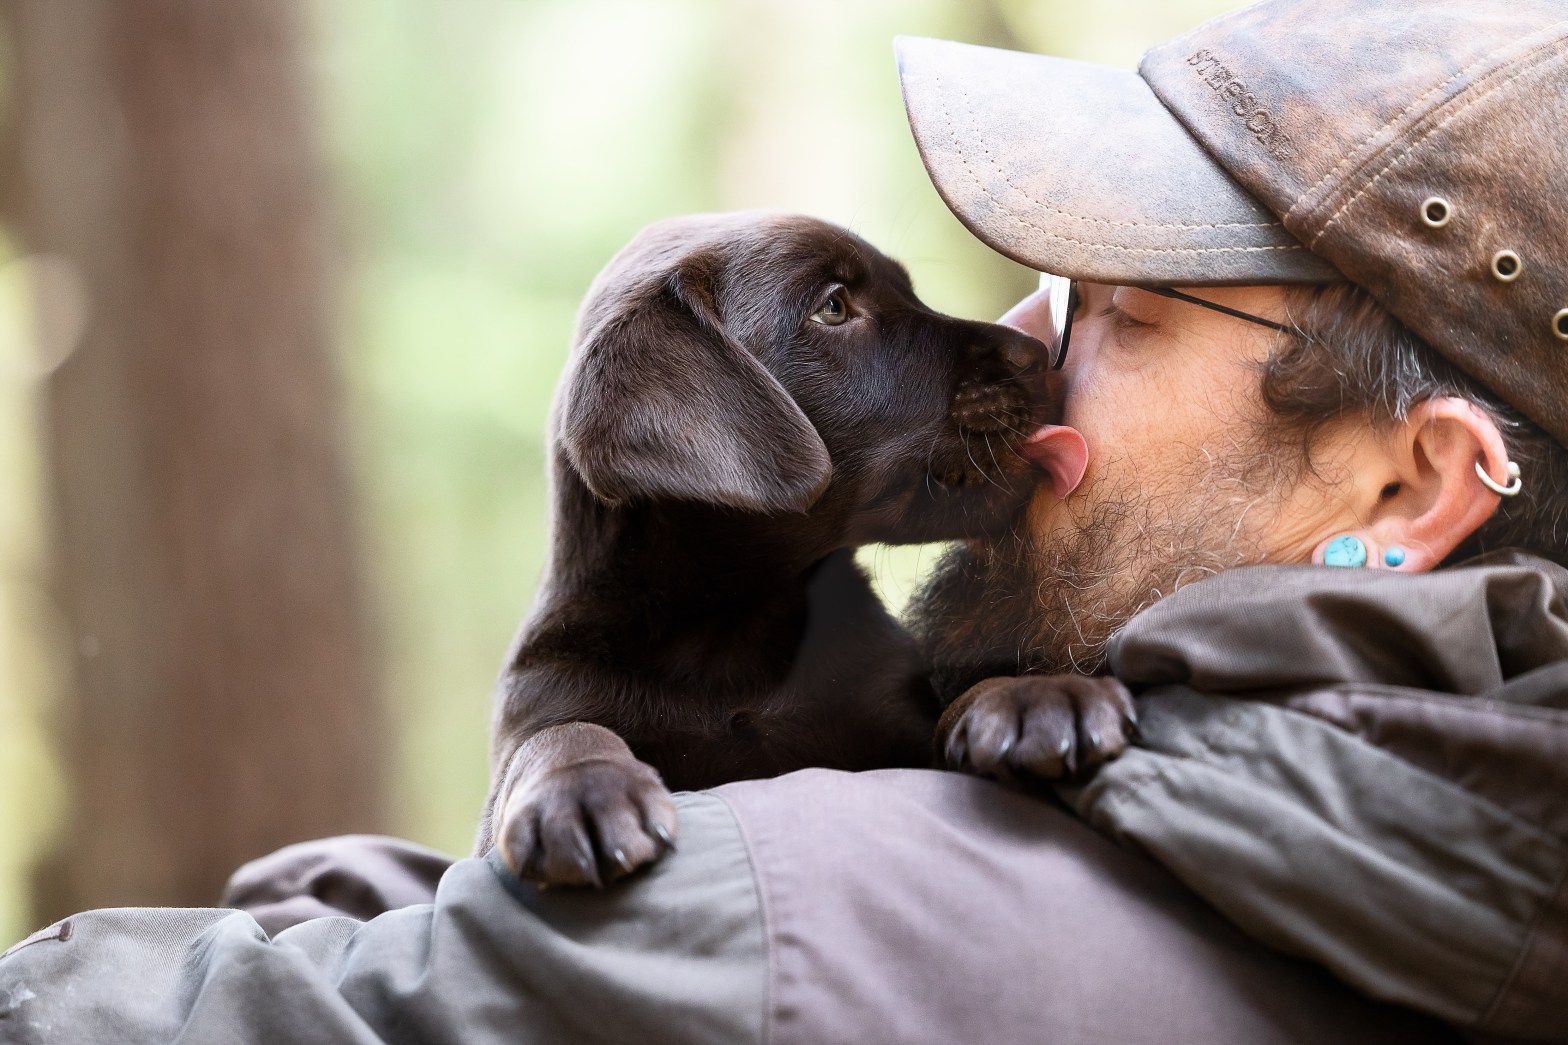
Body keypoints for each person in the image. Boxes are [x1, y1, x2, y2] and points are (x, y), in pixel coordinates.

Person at [3, 2, 1564, 1042]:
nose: (1028, 334)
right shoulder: (1466, 873)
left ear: (1411, 483)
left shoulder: (825, 926)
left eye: (1132, 311)